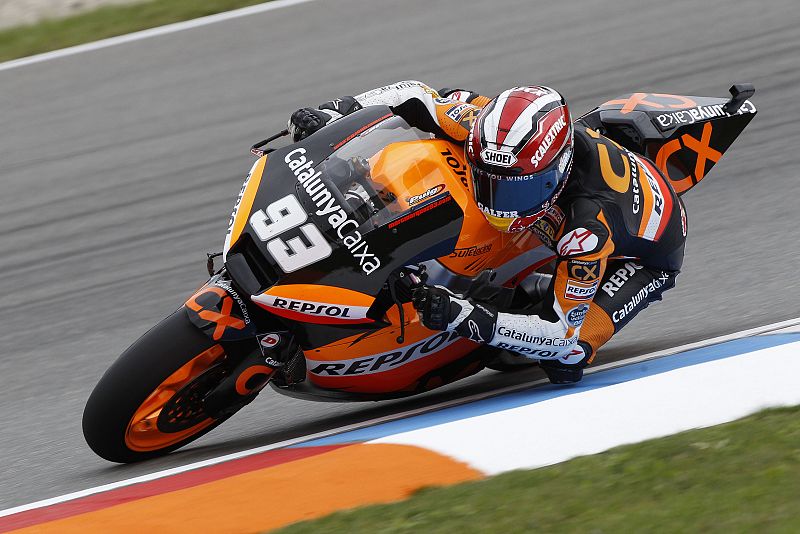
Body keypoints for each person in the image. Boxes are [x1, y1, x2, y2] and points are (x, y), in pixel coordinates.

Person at [287, 81, 686, 384]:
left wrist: (464, 316)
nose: (499, 202)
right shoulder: (484, 129)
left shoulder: (587, 230)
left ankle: (516, 299)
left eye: (516, 190)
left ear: (557, 174)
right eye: (489, 180)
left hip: (644, 257)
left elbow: (560, 335)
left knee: (566, 360)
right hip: (557, 200)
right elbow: (417, 95)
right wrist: (339, 111)